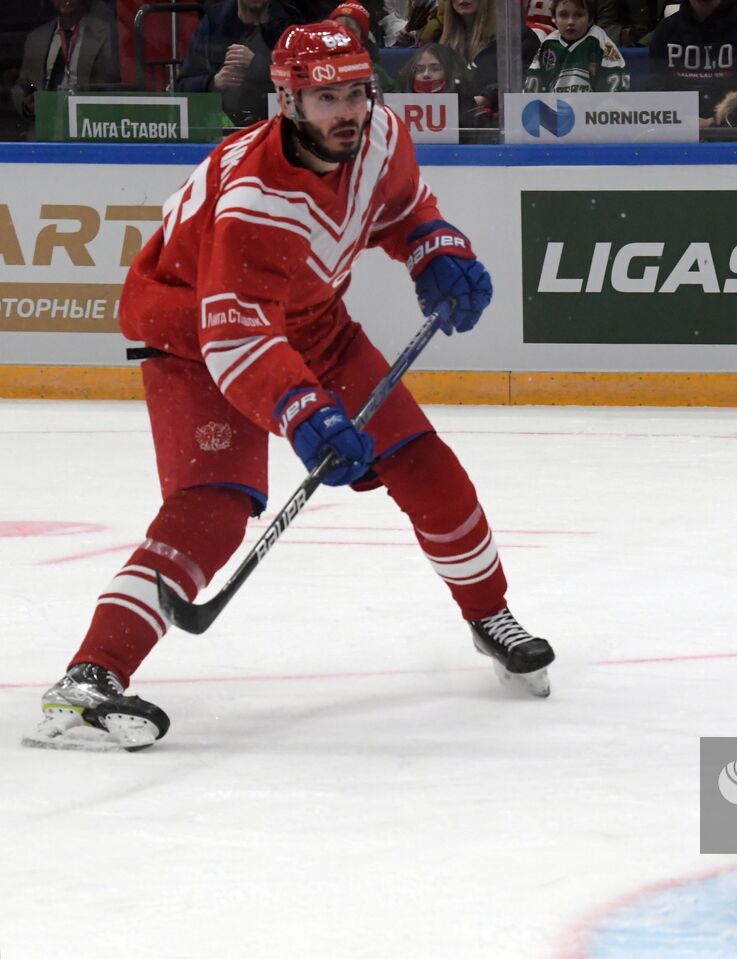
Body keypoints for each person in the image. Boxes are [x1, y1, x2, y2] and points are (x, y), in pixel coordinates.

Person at [24, 20, 555, 754]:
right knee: (211, 510)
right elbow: (234, 339)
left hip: (307, 315)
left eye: (356, 93)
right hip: (191, 326)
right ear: (287, 102)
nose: (347, 111)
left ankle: (489, 615)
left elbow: (402, 209)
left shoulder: (378, 136)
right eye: (325, 96)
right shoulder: (253, 201)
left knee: (425, 463)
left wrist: (437, 251)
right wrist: (305, 415)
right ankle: (89, 677)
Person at [176, 0, 296, 127]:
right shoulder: (214, 22)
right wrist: (213, 82)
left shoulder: (290, 24)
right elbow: (183, 87)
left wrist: (256, 64)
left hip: (275, 127)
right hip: (220, 133)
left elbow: (301, 85)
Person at [647, 0, 737, 122]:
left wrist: (715, 122)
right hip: (678, 127)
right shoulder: (665, 31)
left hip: (734, 128)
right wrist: (685, 122)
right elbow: (657, 89)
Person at [11, 0, 121, 122]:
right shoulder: (37, 38)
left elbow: (110, 84)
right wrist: (26, 105)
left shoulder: (106, 33)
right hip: (44, 124)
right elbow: (23, 84)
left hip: (87, 123)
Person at [434, 0, 541, 124]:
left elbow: (527, 81)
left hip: (501, 127)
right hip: (452, 128)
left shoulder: (515, 37)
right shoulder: (440, 44)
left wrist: (490, 97)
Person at [524, 0, 630, 92]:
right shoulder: (548, 44)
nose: (570, 22)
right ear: (554, 19)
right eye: (563, 15)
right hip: (555, 112)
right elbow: (533, 86)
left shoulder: (600, 42)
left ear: (590, 20)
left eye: (578, 15)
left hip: (591, 112)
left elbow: (617, 84)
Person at [329, 2, 397, 90]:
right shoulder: (318, 67)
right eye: (337, 29)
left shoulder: (372, 69)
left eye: (351, 30)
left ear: (362, 38)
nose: (343, 34)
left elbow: (394, 95)